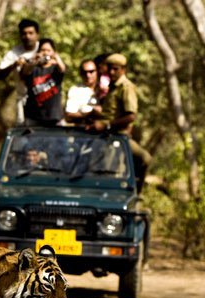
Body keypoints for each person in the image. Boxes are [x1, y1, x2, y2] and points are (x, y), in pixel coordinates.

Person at [87, 53, 152, 193]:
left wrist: (106, 125)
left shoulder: (126, 87)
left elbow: (130, 116)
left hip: (118, 136)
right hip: (106, 136)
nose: (111, 72)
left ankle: (136, 193)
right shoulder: (112, 87)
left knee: (144, 159)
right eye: (109, 69)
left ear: (123, 69)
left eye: (115, 69)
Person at [0, 19, 41, 125]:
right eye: (24, 33)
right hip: (24, 100)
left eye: (31, 33)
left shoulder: (43, 49)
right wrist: (14, 65)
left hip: (44, 99)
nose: (28, 36)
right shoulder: (14, 53)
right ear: (20, 35)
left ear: (37, 34)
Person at [20, 38, 66, 126]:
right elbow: (25, 72)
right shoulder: (33, 68)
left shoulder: (55, 68)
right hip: (34, 117)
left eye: (48, 50)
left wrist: (56, 57)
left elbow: (62, 69)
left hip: (54, 116)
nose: (45, 53)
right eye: (42, 50)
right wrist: (34, 60)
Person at [65, 59, 100, 125]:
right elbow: (69, 116)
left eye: (91, 71)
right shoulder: (75, 90)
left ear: (97, 71)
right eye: (84, 72)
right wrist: (89, 114)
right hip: (82, 132)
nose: (88, 75)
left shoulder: (106, 88)